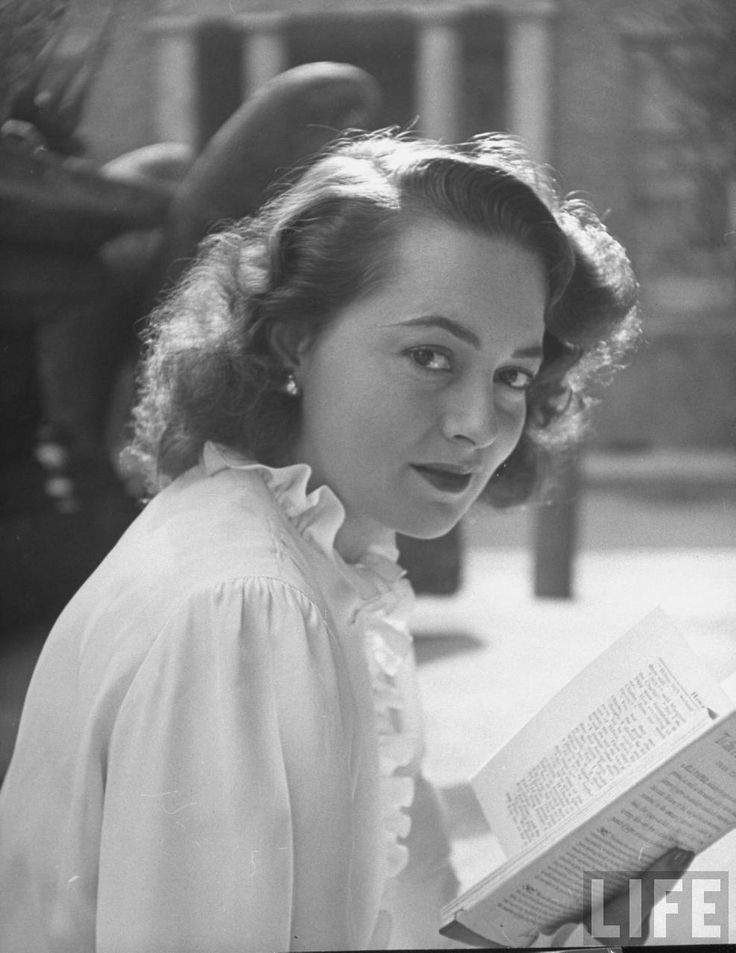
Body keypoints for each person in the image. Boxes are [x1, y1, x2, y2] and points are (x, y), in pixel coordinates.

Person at [0, 132, 691, 952]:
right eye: (430, 356)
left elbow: (405, 918)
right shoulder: (247, 605)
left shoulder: (326, 563)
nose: (479, 423)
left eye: (513, 374)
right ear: (295, 339)